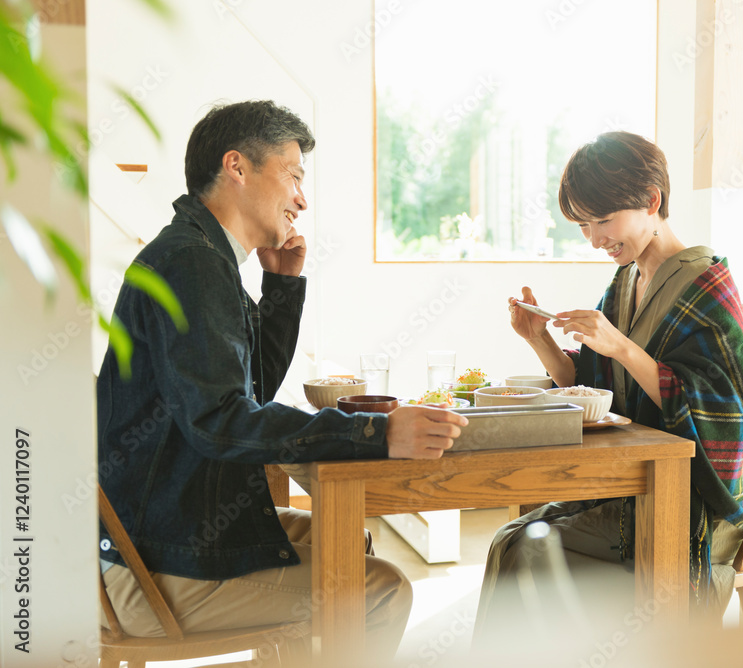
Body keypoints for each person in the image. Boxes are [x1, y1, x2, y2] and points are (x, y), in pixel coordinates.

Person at [96, 100, 468, 661]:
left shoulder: (201, 255)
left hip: (167, 531)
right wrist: (375, 432)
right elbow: (221, 423)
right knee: (381, 591)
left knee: (347, 540)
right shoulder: (192, 263)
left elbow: (246, 398)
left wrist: (281, 286)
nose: (302, 197)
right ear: (237, 167)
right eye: (293, 174)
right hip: (151, 565)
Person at [474, 132, 743, 641]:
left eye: (603, 221)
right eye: (584, 224)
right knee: (511, 539)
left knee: (520, 547)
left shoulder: (708, 285)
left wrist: (623, 348)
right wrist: (540, 341)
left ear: (652, 201)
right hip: (634, 483)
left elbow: (731, 416)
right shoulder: (626, 282)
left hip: (691, 506)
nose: (594, 238)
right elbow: (595, 388)